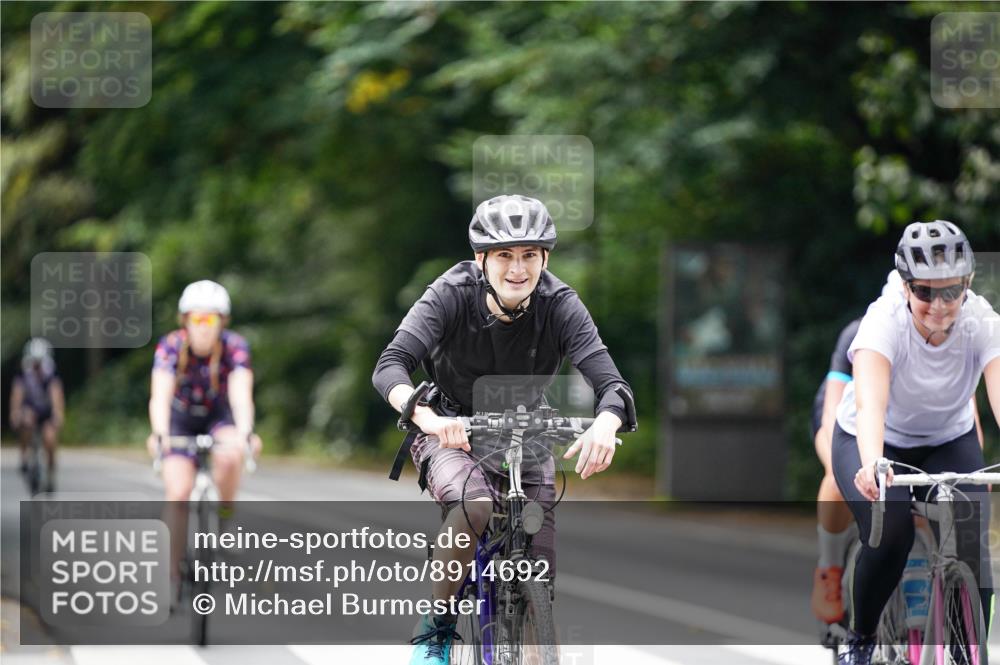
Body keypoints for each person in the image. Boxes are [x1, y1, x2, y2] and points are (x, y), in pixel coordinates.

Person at [372, 195, 634, 665]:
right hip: (453, 429)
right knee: (473, 505)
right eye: (505, 255)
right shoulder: (449, 293)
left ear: (545, 258)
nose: (518, 269)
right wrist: (429, 420)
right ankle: (437, 625)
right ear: (482, 259)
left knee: (540, 585)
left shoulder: (559, 304)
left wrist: (607, 422)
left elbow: (612, 384)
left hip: (525, 436)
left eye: (529, 255)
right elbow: (390, 366)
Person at [831, 220, 999, 665]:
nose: (939, 306)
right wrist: (871, 464)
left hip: (947, 437)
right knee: (891, 536)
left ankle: (970, 652)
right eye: (925, 292)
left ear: (967, 284)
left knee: (972, 545)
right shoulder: (882, 322)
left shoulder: (982, 320)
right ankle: (861, 639)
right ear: (905, 287)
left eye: (951, 292)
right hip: (874, 440)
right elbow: (870, 406)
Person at [811, 279, 984, 624]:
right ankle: (829, 566)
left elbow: (969, 420)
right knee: (837, 478)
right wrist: (847, 472)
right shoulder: (866, 334)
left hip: (920, 428)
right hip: (852, 414)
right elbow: (835, 413)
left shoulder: (952, 343)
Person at [146, 280, 261, 584]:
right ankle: (171, 573)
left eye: (211, 319)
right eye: (197, 319)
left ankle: (225, 518)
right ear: (186, 320)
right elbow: (159, 395)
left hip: (218, 416)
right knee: (179, 494)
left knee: (230, 456)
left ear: (221, 322)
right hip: (180, 419)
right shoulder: (170, 345)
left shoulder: (234, 346)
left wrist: (246, 431)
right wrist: (160, 435)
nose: (204, 327)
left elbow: (240, 395)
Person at [10, 337, 64, 492]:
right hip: (30, 409)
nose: (37, 366)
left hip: (46, 412)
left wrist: (57, 414)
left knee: (50, 438)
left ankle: (51, 475)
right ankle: (24, 458)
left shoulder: (51, 373)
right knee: (25, 421)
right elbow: (17, 394)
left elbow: (56, 394)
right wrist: (15, 413)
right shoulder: (24, 373)